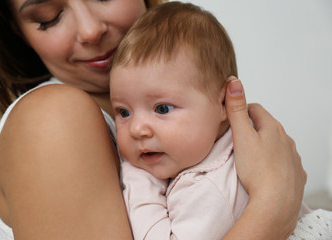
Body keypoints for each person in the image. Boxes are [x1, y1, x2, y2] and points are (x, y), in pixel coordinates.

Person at [0, 0, 306, 239]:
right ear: (17, 30)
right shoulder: (53, 121)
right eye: (49, 16)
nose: (90, 31)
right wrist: (271, 208)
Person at [110, 2, 332, 240]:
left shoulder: (209, 188)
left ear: (224, 104)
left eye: (162, 109)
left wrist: (139, 179)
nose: (136, 129)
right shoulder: (230, 155)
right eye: (124, 112)